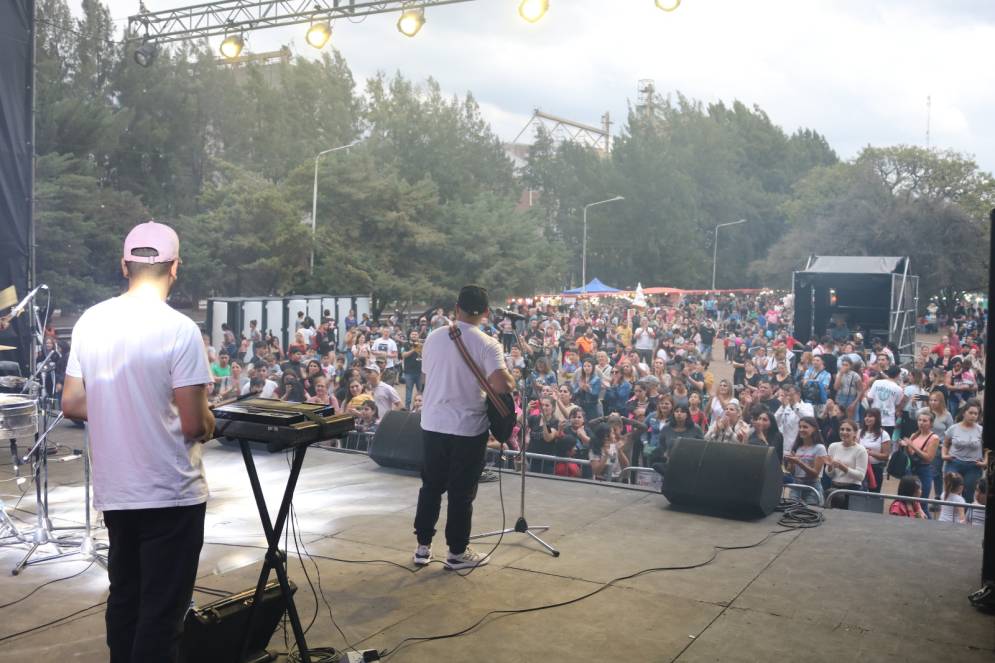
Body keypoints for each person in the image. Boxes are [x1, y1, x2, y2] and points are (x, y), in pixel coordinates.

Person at [61, 220, 215, 663]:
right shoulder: (180, 329)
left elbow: (72, 402)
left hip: (117, 493)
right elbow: (193, 424)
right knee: (162, 616)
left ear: (124, 265)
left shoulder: (91, 322)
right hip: (171, 493)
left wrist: (120, 407)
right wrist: (210, 420)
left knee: (125, 600)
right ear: (175, 267)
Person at [413, 285, 513, 570]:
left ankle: (422, 548)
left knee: (431, 487)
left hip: (433, 423)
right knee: (461, 493)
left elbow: (427, 376)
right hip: (467, 428)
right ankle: (457, 552)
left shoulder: (433, 337)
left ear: (457, 308)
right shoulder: (488, 344)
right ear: (486, 312)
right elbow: (502, 385)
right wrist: (512, 378)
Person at [942, 400, 987, 501]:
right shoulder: (953, 428)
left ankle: (965, 511)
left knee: (968, 494)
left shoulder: (981, 430)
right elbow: (945, 444)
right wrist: (944, 455)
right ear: (964, 413)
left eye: (976, 414)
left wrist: (985, 462)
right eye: (970, 413)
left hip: (973, 466)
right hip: (954, 462)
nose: (973, 416)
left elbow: (988, 449)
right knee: (951, 492)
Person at [898, 410, 941, 502]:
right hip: (911, 469)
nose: (921, 423)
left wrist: (912, 445)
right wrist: (905, 446)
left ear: (931, 423)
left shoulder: (934, 438)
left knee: (922, 501)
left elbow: (929, 458)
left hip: (924, 470)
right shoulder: (914, 435)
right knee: (908, 499)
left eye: (925, 421)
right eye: (919, 420)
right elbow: (910, 454)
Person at [824, 420, 868, 509]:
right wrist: (830, 466)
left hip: (852, 490)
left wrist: (843, 467)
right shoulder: (833, 446)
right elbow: (830, 474)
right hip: (834, 488)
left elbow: (861, 476)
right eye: (842, 429)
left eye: (848, 430)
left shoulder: (860, 450)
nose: (844, 432)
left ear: (855, 433)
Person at [784, 416, 828, 504]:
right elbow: (791, 471)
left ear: (814, 429)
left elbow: (815, 474)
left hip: (812, 487)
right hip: (796, 485)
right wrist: (790, 462)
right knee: (792, 510)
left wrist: (799, 462)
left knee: (810, 511)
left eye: (805, 427)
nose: (801, 429)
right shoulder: (797, 447)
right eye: (800, 427)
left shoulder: (819, 448)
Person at [859, 408, 890, 493]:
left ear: (877, 418)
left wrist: (870, 453)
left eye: (870, 416)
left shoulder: (884, 434)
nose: (867, 418)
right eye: (866, 416)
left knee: (874, 492)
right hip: (862, 467)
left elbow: (886, 455)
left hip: (876, 468)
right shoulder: (860, 432)